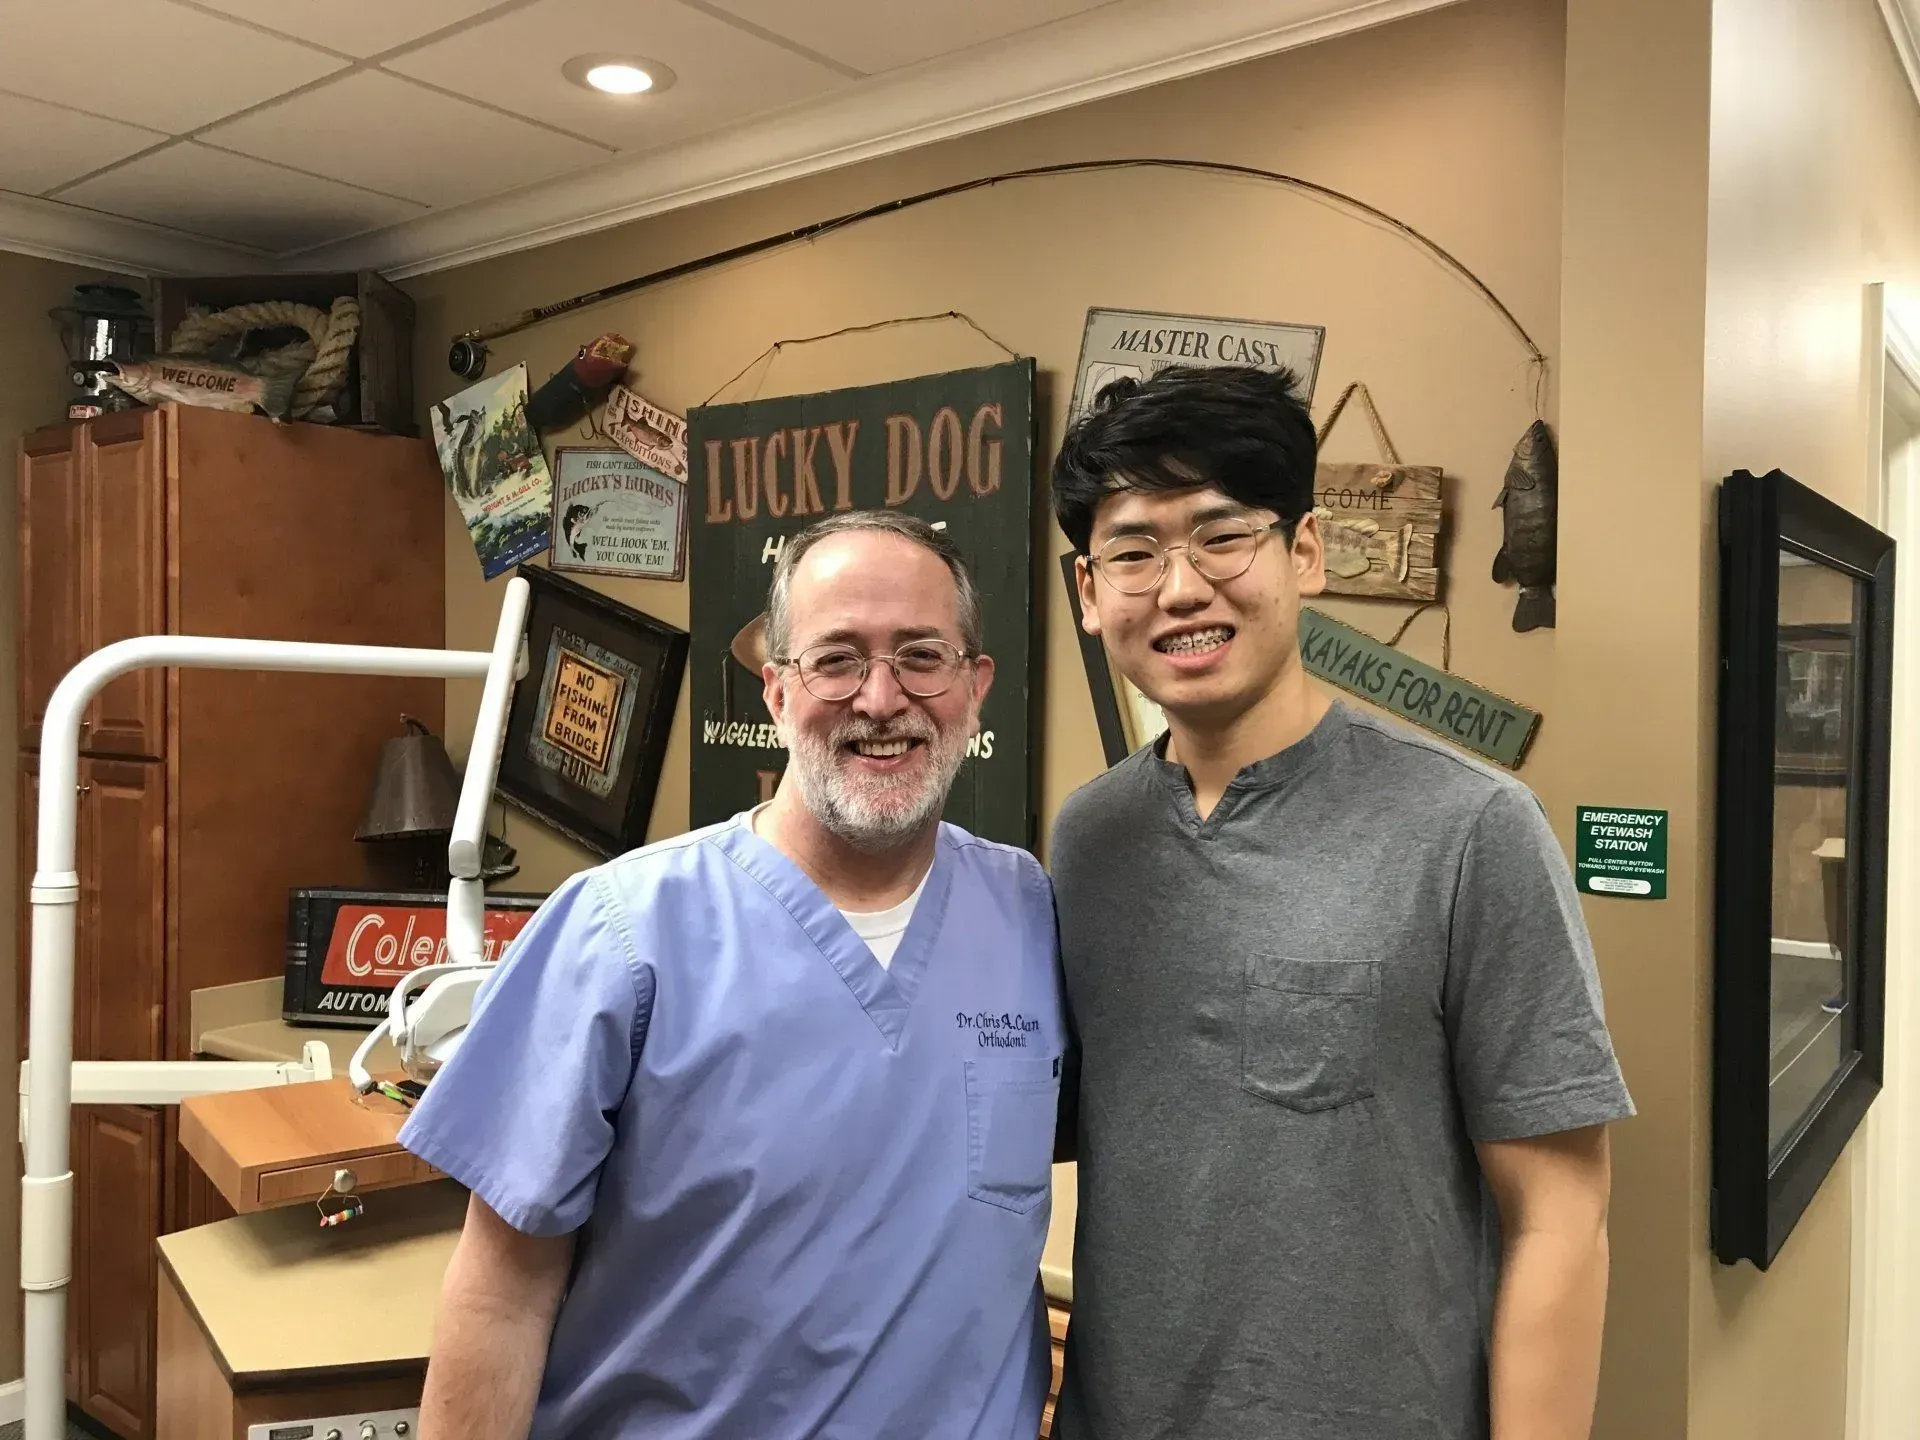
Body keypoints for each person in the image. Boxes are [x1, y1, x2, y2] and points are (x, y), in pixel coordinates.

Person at [1046, 365, 1634, 1440]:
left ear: (1303, 553)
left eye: (1222, 536)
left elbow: (1562, 1215)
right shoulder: (1088, 839)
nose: (1179, 588)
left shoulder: (1470, 829)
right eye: (1133, 551)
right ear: (1089, 593)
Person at [399, 511, 1066, 1439]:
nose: (882, 698)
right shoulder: (620, 935)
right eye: (836, 660)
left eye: (922, 655)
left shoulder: (1030, 913)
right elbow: (501, 1296)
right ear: (776, 692)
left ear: (975, 684)